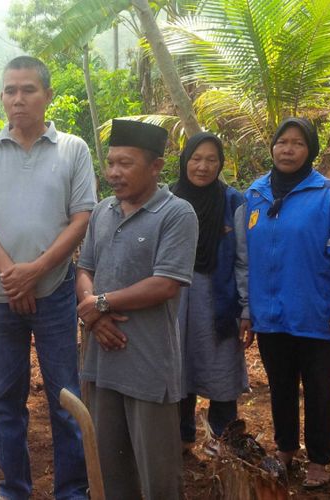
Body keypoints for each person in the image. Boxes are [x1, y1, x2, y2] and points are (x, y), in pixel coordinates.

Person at [0, 56, 95, 500]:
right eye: (10, 91)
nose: (18, 99)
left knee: (65, 396)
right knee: (3, 399)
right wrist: (9, 273)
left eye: (28, 90)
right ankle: (14, 488)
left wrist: (35, 271)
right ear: (3, 96)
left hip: (55, 291)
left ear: (48, 95)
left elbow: (80, 218)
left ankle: (72, 490)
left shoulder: (73, 148)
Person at [242, 117, 330, 489]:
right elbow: (243, 258)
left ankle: (318, 459)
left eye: (298, 143)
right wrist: (247, 309)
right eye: (282, 142)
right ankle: (285, 449)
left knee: (320, 388)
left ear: (309, 150)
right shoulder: (255, 194)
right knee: (280, 384)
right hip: (271, 315)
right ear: (272, 147)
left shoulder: (329, 196)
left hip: (318, 312)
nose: (288, 149)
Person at [76, 119, 198, 499]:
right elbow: (85, 268)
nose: (113, 172)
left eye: (125, 163)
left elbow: (165, 284)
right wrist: (94, 317)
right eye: (110, 163)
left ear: (156, 166)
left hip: (148, 364)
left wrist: (99, 303)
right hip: (101, 358)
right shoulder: (102, 211)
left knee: (157, 475)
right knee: (110, 468)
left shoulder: (177, 214)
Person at [171, 132, 249, 452]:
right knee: (178, 367)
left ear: (221, 164)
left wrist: (246, 308)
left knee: (222, 373)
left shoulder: (233, 201)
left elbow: (243, 259)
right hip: (174, 298)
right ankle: (181, 437)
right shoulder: (168, 198)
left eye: (211, 159)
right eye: (196, 158)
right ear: (184, 160)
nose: (203, 166)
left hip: (218, 298)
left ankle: (223, 442)